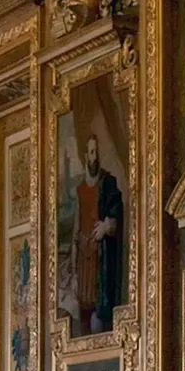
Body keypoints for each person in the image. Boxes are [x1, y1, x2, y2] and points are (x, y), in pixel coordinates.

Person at [73, 134, 124, 333]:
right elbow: (76, 228)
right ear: (86, 156)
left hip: (101, 258)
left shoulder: (108, 183)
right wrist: (73, 264)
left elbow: (116, 212)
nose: (95, 157)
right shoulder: (80, 188)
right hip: (85, 257)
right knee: (84, 312)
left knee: (100, 313)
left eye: (97, 152)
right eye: (92, 152)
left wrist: (107, 225)